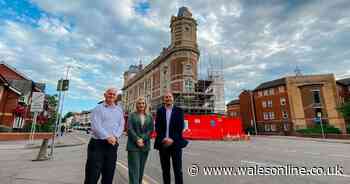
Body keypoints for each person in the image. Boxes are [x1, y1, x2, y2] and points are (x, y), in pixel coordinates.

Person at [84, 88, 125, 184]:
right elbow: (96, 126)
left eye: (113, 94)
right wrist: (108, 137)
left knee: (108, 175)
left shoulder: (119, 110)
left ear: (116, 97)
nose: (111, 96)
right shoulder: (98, 108)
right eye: (109, 94)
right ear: (105, 95)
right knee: (92, 175)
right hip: (97, 145)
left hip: (112, 145)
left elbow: (121, 125)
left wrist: (115, 136)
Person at [154, 91, 188, 184]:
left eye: (169, 97)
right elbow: (157, 127)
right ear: (164, 100)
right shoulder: (160, 111)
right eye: (166, 97)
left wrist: (172, 139)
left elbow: (180, 127)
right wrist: (164, 138)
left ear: (173, 99)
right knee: (165, 170)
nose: (168, 99)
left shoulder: (179, 111)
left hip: (175, 143)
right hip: (163, 144)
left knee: (178, 170)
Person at [127, 97, 154, 184]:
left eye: (143, 103)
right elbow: (129, 129)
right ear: (136, 105)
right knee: (134, 169)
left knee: (141, 169)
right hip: (133, 145)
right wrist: (137, 139)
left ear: (146, 104)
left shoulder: (149, 116)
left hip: (145, 146)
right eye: (139, 103)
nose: (141, 105)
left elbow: (150, 130)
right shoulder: (132, 115)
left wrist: (143, 138)